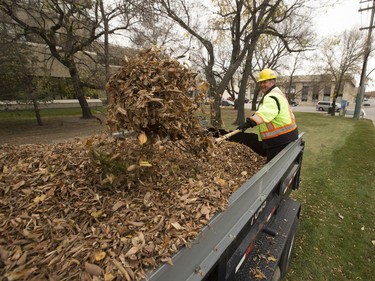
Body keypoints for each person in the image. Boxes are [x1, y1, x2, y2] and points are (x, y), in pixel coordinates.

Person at [237, 68, 298, 162]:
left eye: (265, 82)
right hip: (287, 136)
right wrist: (254, 116)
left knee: (273, 167)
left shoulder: (271, 97)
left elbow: (266, 113)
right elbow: (266, 111)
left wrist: (249, 122)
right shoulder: (276, 93)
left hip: (279, 139)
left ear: (273, 81)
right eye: (260, 82)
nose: (262, 85)